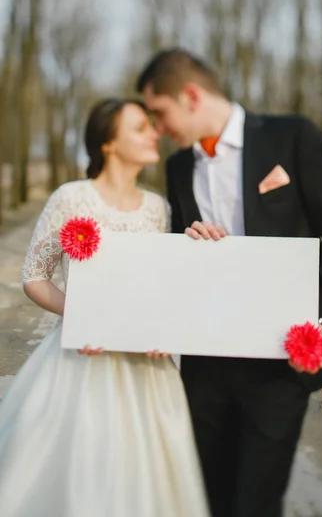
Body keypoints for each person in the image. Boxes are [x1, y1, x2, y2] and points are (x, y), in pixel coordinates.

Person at [137, 49, 322, 517]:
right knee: (206, 496)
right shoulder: (179, 167)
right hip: (203, 366)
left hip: (278, 365)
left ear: (192, 95)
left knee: (255, 502)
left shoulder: (292, 136)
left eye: (159, 113)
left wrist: (320, 325)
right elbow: (183, 262)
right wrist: (189, 242)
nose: (158, 129)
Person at [0, 99, 210, 517]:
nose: (154, 133)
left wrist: (161, 330)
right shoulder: (70, 198)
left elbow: (159, 285)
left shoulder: (158, 208)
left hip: (145, 367)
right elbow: (34, 276)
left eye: (152, 126)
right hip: (80, 361)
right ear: (109, 143)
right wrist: (82, 315)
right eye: (139, 128)